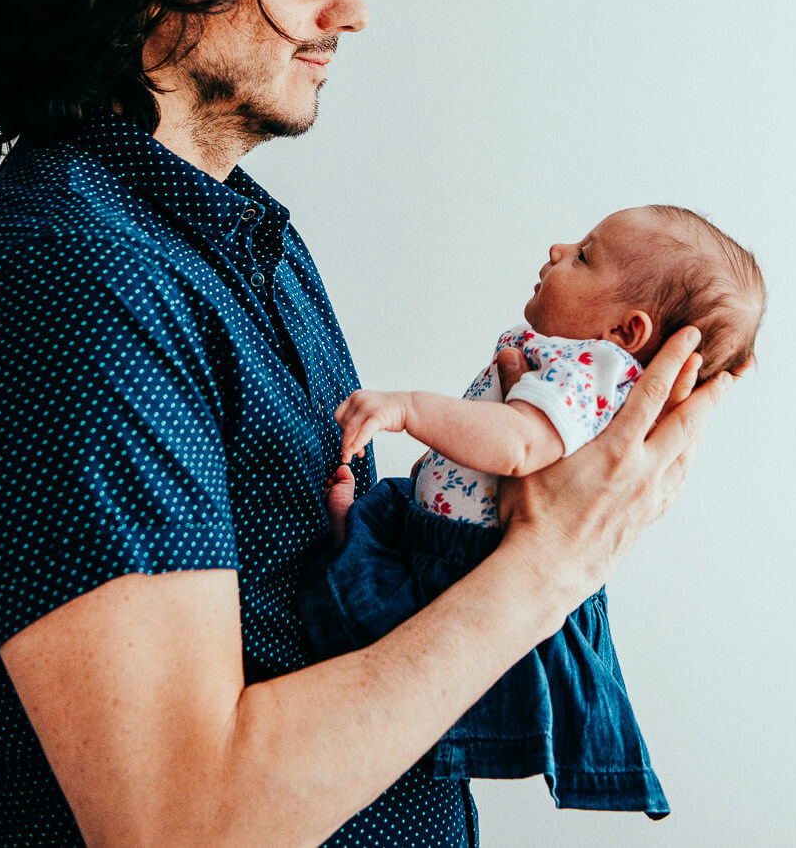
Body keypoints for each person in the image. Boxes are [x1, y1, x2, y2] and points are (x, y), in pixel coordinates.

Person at [0, 0, 735, 848]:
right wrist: (555, 561)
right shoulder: (72, 283)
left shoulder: (236, 241)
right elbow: (175, 821)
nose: (348, 9)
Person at [298, 206, 764, 816]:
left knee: (376, 626)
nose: (557, 250)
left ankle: (345, 549)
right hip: (434, 530)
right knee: (385, 535)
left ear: (627, 332)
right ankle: (350, 538)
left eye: (585, 256)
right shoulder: (568, 361)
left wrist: (410, 408)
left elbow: (519, 444)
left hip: (463, 561)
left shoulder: (593, 372)